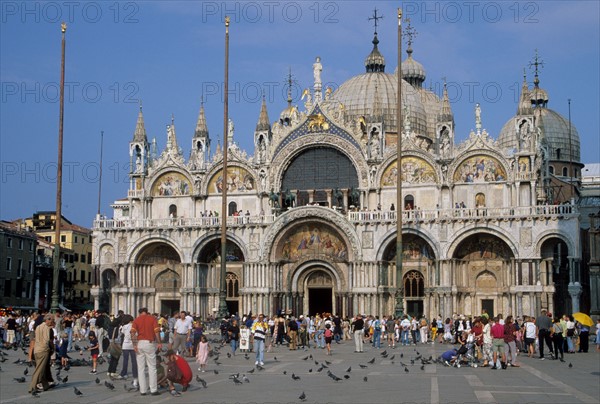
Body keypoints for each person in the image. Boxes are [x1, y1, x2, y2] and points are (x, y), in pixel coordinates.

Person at [131, 307, 162, 396]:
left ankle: (143, 390)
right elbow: (156, 332)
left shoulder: (136, 320)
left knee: (140, 368)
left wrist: (134, 345)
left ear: (139, 313)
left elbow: (132, 333)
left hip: (140, 343)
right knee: (152, 367)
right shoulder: (152, 319)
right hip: (149, 343)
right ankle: (153, 390)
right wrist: (159, 343)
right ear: (147, 312)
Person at [29, 314, 55, 395]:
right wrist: (51, 349)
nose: (52, 322)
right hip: (43, 350)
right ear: (48, 320)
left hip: (36, 350)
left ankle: (45, 385)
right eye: (52, 320)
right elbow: (47, 340)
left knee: (41, 368)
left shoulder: (38, 327)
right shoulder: (47, 328)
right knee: (39, 370)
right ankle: (32, 387)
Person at [119, 314, 138, 388]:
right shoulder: (134, 326)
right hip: (133, 345)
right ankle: (135, 374)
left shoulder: (124, 326)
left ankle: (124, 373)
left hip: (125, 345)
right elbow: (136, 334)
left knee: (125, 360)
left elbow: (122, 333)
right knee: (134, 361)